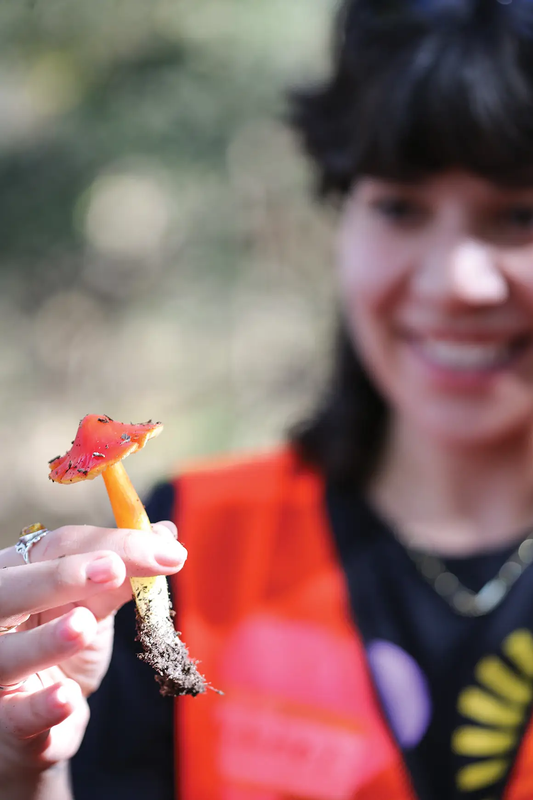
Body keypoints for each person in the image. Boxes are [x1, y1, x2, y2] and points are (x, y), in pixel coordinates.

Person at [5, 0, 533, 797]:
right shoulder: (192, 547)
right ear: (339, 216)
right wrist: (25, 777)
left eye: (518, 213)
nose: (454, 281)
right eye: (398, 206)